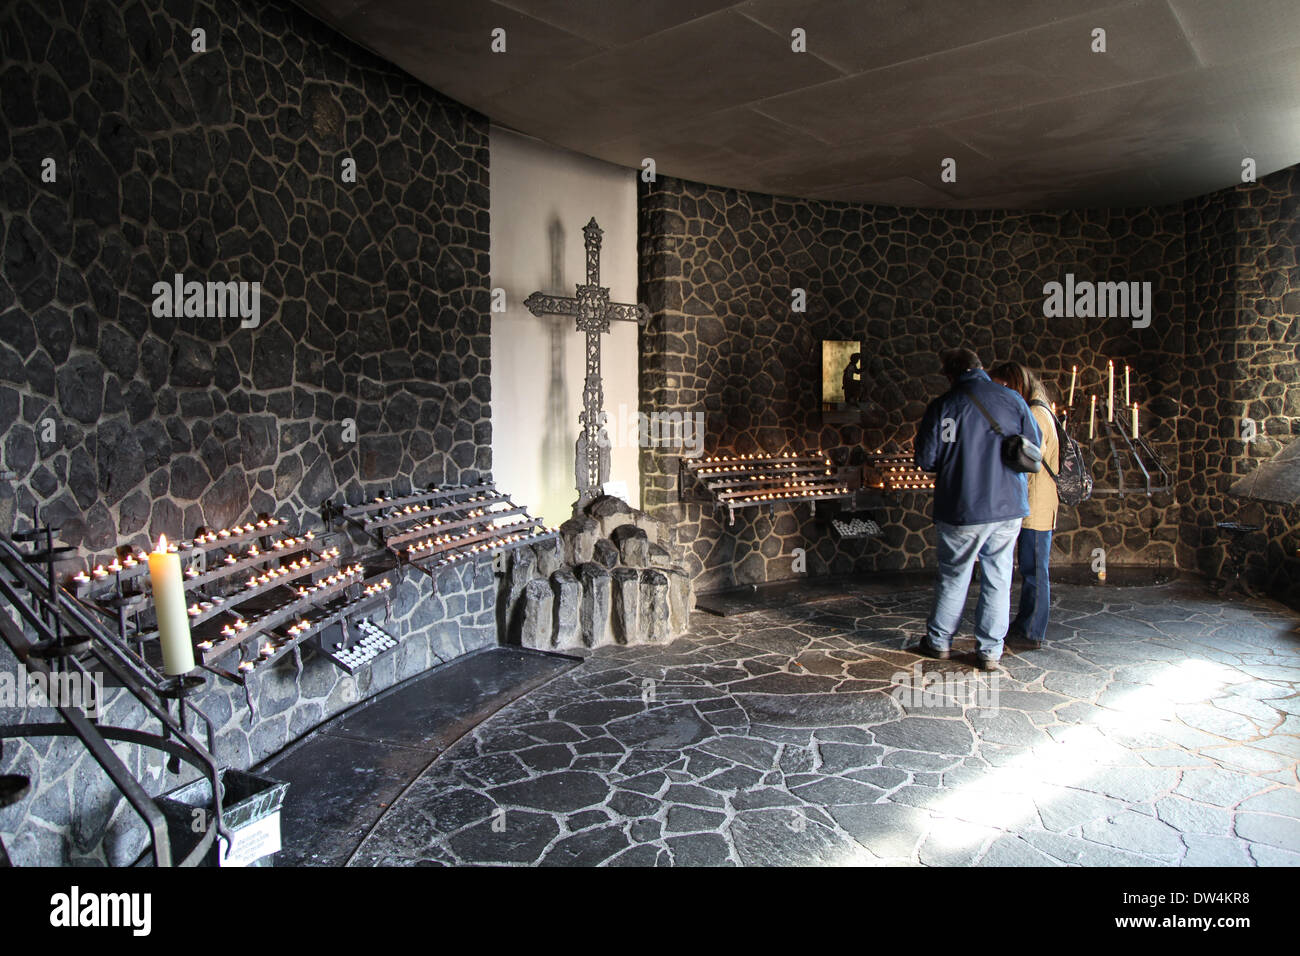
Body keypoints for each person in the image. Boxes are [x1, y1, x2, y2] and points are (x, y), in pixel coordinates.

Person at [914, 348, 1041, 672]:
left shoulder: (944, 406)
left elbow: (927, 460)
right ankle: (990, 652)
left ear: (950, 374)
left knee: (955, 575)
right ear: (980, 368)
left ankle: (939, 642)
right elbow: (1033, 446)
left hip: (961, 508)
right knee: (999, 577)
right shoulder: (1013, 400)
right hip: (1009, 506)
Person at [990, 362, 1059, 650]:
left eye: (1004, 386)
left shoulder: (1036, 414)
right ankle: (1026, 623)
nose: (1001, 392)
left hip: (1038, 504)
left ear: (1016, 384)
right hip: (1037, 502)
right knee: (1031, 567)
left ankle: (1032, 631)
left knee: (1034, 570)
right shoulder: (1040, 410)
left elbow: (1030, 457)